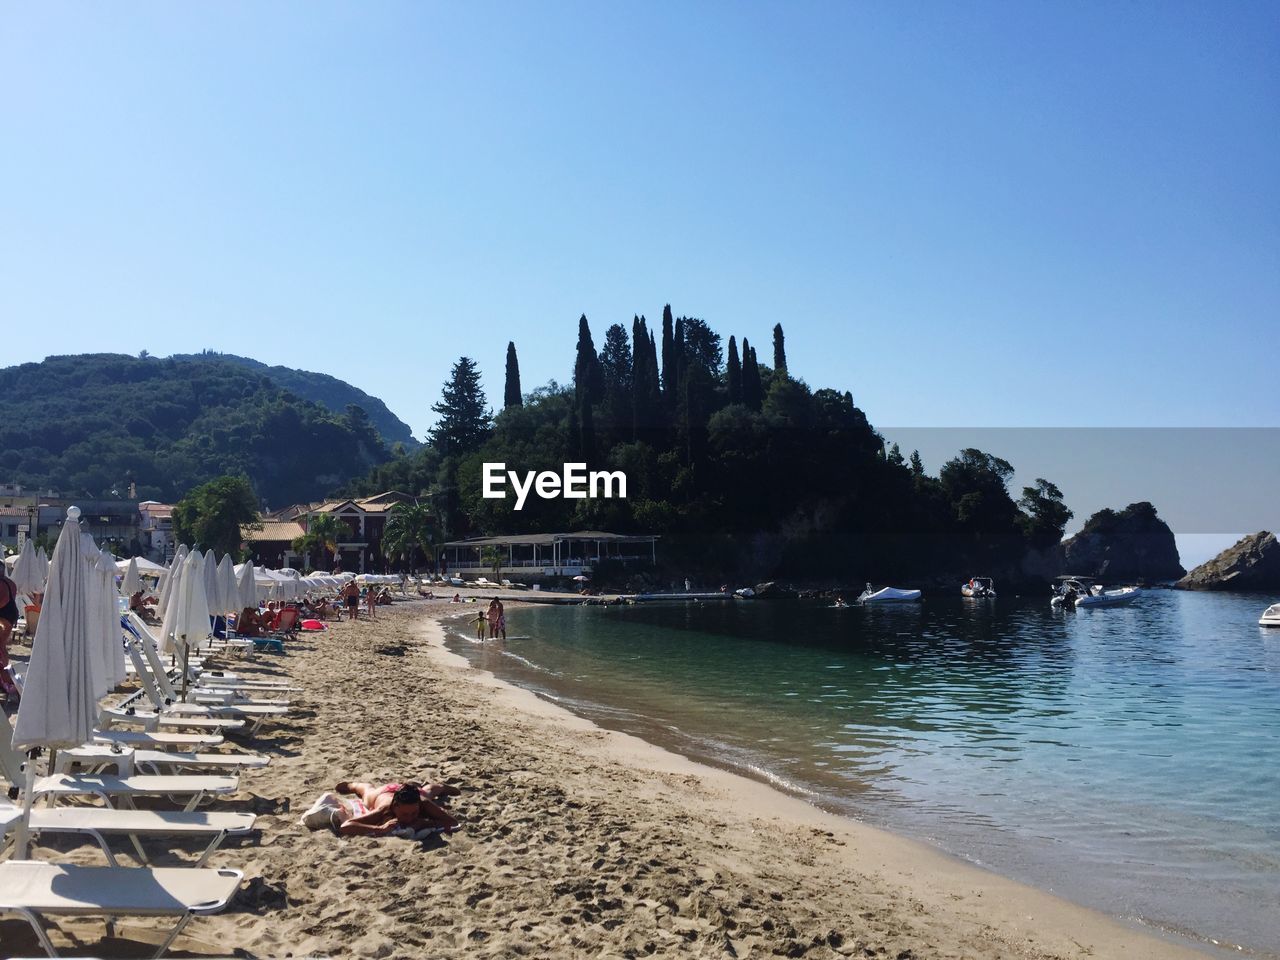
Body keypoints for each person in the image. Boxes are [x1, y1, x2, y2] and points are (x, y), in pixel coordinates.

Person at [333, 780, 460, 838]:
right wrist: (379, 828)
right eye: (405, 814)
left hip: (413, 793)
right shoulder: (385, 809)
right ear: (395, 807)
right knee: (367, 791)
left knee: (429, 791)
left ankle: (441, 786)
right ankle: (353, 784)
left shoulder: (423, 803)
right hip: (382, 794)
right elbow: (345, 826)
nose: (410, 818)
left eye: (414, 813)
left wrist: (428, 822)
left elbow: (453, 822)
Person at [0, 571, 22, 702]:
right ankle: (5, 678)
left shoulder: (1, 585)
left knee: (0, 647)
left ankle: (7, 681)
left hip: (4, 618)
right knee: (1, 647)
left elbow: (2, 601)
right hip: (10, 615)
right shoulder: (10, 582)